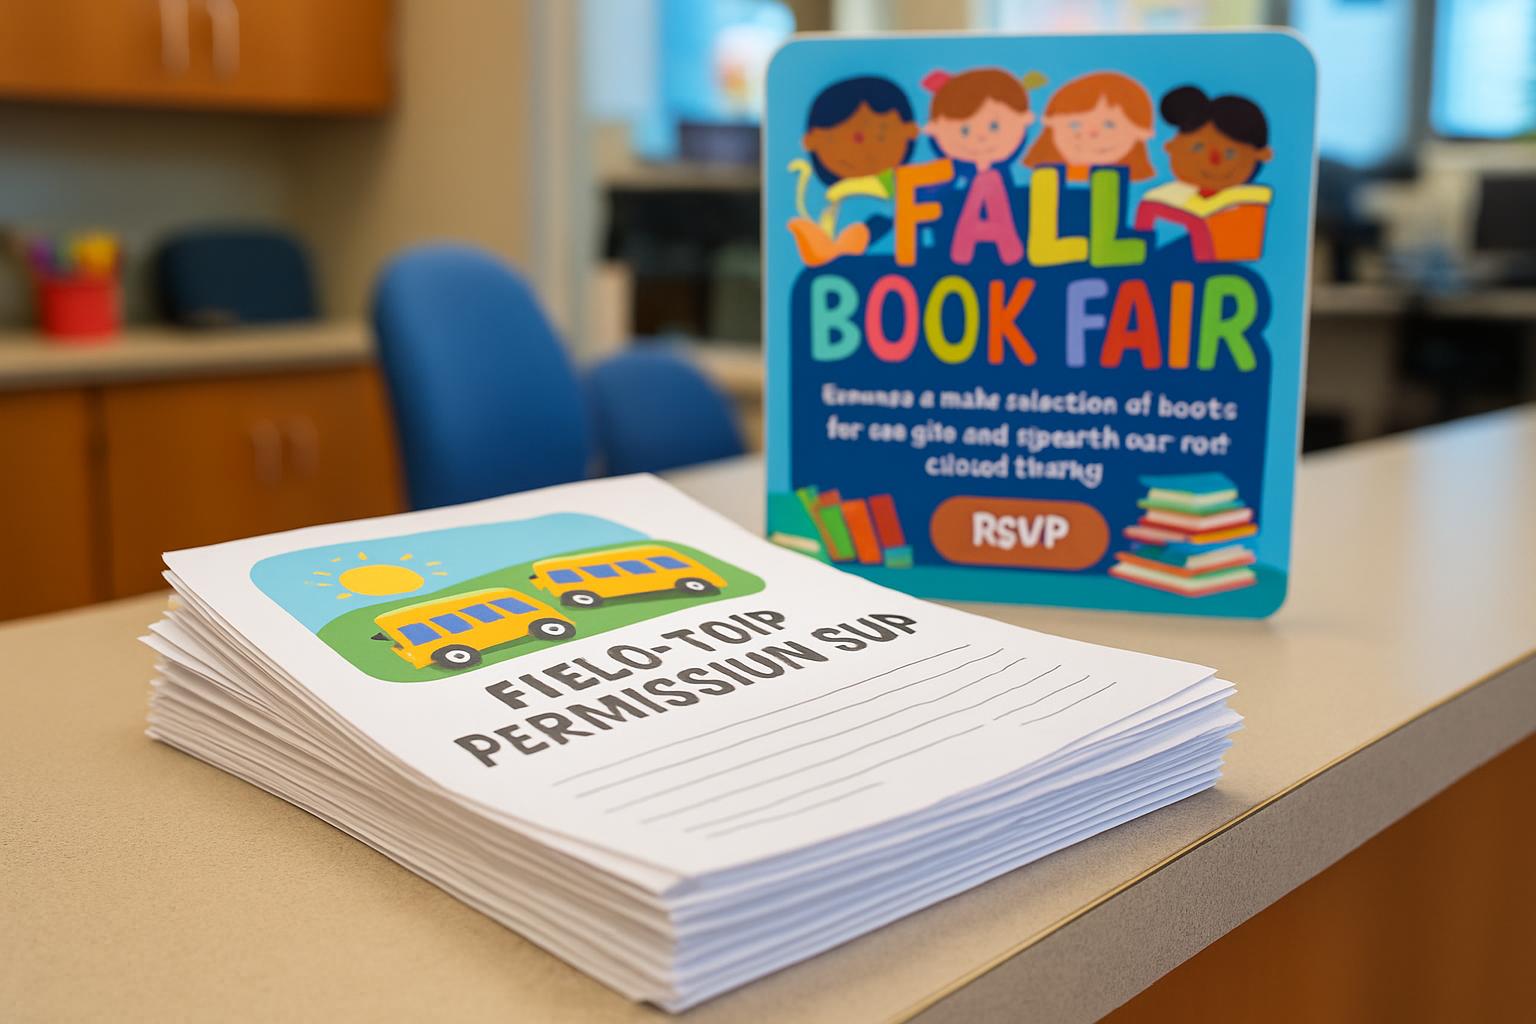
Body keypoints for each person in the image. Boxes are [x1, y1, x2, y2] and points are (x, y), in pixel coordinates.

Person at [787, 75, 918, 266]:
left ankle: (835, 250)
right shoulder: (838, 194)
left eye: (880, 135)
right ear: (810, 142)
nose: (861, 149)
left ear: (910, 132)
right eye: (834, 140)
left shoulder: (893, 187)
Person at [1133, 85, 1275, 262]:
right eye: (1198, 147)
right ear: (1172, 147)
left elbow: (1237, 248)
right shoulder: (1169, 195)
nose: (1213, 161)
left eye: (1230, 153)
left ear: (1262, 155)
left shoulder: (1247, 201)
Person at [1022, 70, 1156, 183]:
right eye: (1074, 124)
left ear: (1140, 131)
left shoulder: (1118, 181)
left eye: (1109, 125)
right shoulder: (1045, 180)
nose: (1091, 133)